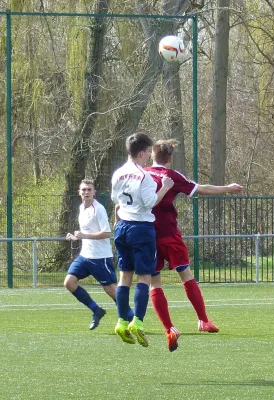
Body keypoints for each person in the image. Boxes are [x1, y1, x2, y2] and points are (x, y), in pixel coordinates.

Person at [144, 139, 243, 352]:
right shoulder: (172, 176)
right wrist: (228, 188)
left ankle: (169, 328)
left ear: (151, 155)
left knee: (155, 283)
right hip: (169, 234)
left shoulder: (141, 174)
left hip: (147, 234)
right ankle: (203, 320)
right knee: (186, 275)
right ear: (170, 159)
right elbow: (202, 189)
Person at [111, 132, 174, 348]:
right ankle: (137, 321)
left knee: (124, 277)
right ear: (141, 152)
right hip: (141, 228)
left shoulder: (117, 174)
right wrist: (165, 186)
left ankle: (121, 321)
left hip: (122, 227)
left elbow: (115, 200)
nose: (149, 156)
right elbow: (149, 203)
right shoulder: (144, 176)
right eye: (148, 152)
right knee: (144, 278)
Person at [64, 178, 133, 330]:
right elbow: (86, 232)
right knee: (69, 282)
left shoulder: (98, 209)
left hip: (100, 257)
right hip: (85, 256)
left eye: (89, 189)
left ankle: (130, 316)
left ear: (94, 192)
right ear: (79, 192)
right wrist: (76, 237)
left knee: (110, 290)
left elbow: (107, 233)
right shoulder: (82, 208)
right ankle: (96, 310)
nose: (86, 192)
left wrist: (83, 235)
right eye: (84, 189)